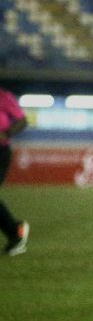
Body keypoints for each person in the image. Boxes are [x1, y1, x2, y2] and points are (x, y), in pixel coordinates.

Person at [0, 87, 29, 256]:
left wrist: (7, 133)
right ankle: (14, 230)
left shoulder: (4, 97)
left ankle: (15, 232)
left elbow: (22, 121)